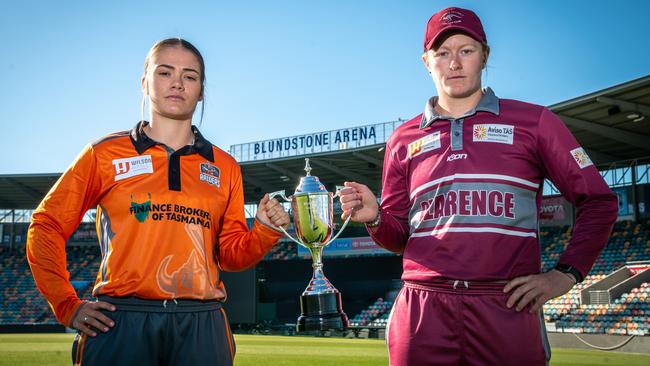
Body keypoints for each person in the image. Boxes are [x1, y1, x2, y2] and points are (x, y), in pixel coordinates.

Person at [339, 7, 618, 366]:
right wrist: (376, 217)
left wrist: (565, 275)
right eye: (442, 53)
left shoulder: (535, 122)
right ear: (426, 61)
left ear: (485, 55)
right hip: (424, 308)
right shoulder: (402, 139)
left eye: (466, 50)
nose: (454, 62)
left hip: (507, 305)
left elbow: (598, 201)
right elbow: (398, 238)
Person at [26, 38, 290, 366]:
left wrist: (263, 230)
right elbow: (46, 224)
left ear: (201, 90)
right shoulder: (104, 154)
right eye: (165, 72)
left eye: (190, 76)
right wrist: (66, 304)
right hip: (121, 319)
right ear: (144, 82)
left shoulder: (224, 167)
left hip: (202, 323)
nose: (177, 82)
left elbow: (231, 256)